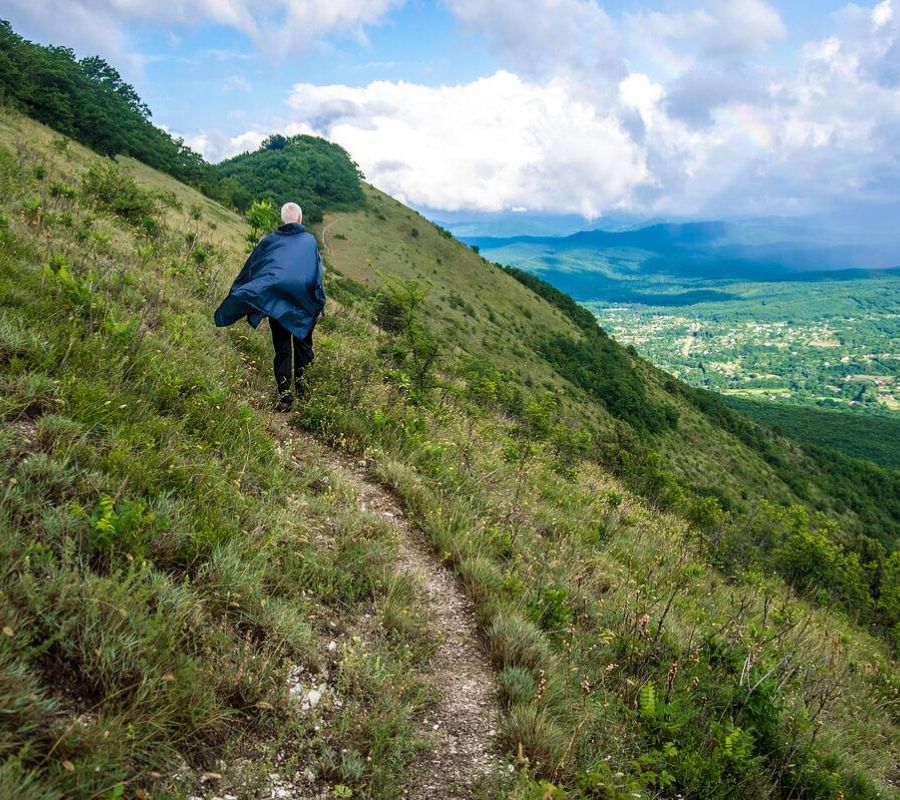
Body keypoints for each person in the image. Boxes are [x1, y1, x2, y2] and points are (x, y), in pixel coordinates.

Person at [214, 202, 325, 411]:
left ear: (283, 219)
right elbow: (317, 274)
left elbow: (253, 266)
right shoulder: (309, 242)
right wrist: (320, 305)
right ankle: (305, 397)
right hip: (304, 305)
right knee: (304, 349)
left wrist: (245, 290)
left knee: (282, 348)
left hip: (277, 303)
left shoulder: (271, 241)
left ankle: (285, 398)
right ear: (300, 219)